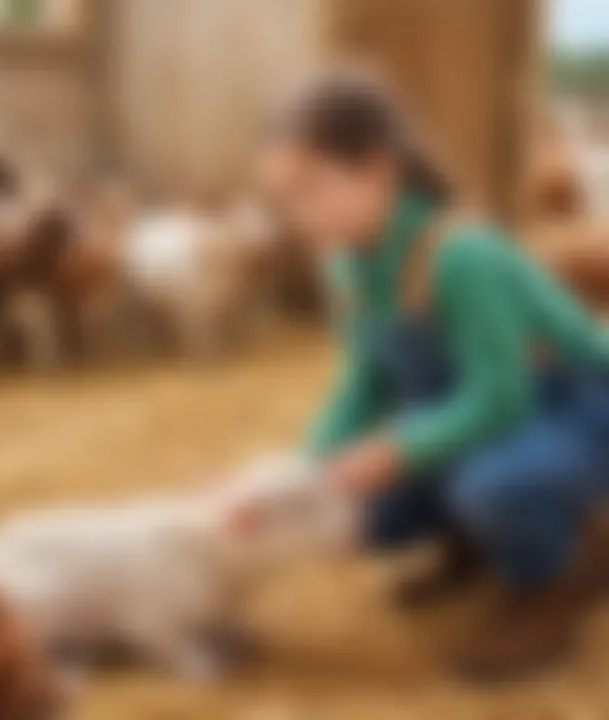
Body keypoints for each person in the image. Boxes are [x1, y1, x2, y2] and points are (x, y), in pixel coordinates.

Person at [258, 67, 609, 681]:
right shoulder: (345, 264)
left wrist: (395, 451)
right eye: (285, 199)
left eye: (311, 191)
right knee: (362, 515)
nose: (297, 216)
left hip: (569, 405)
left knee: (495, 486)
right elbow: (367, 382)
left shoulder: (459, 253)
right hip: (470, 407)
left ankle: (551, 583)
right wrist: (307, 472)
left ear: (379, 170)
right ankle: (475, 543)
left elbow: (504, 395)